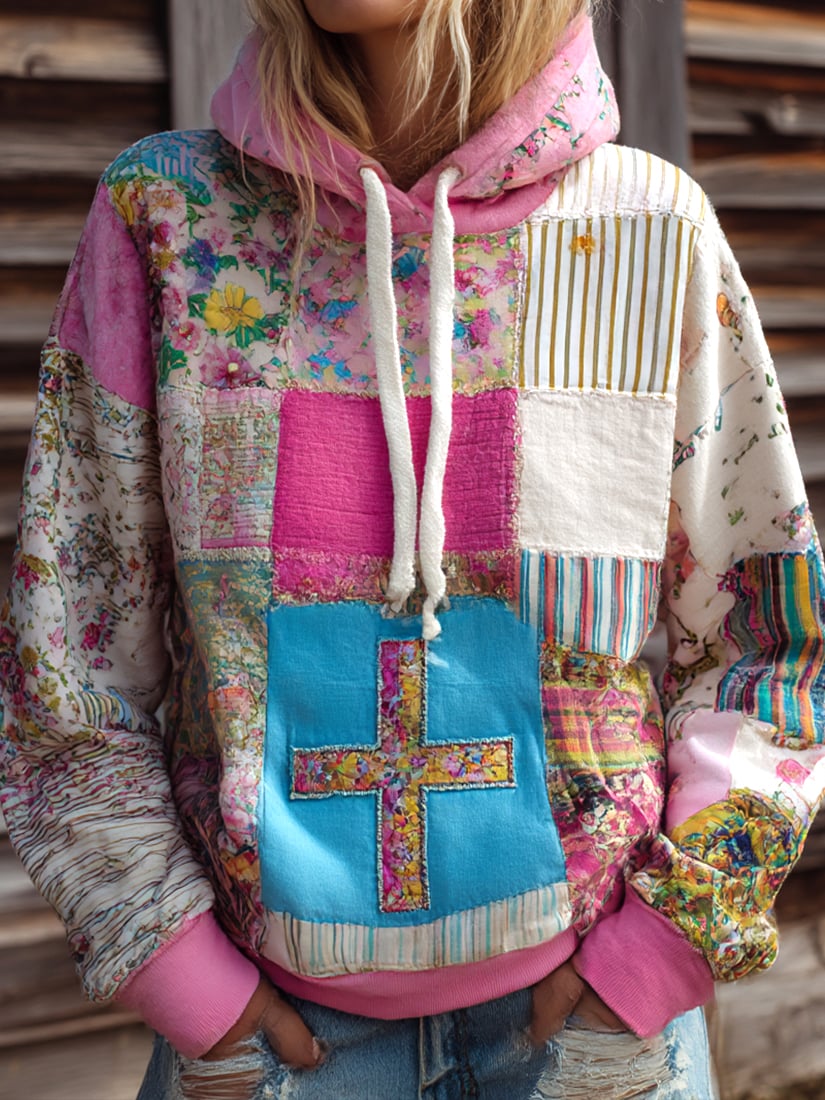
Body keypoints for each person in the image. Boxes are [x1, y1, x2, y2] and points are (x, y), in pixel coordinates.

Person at [1, 0, 823, 1096]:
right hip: (269, 1041)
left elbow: (770, 638)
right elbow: (68, 650)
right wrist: (175, 965)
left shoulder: (648, 226)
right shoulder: (169, 216)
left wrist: (663, 946)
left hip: (596, 1037)